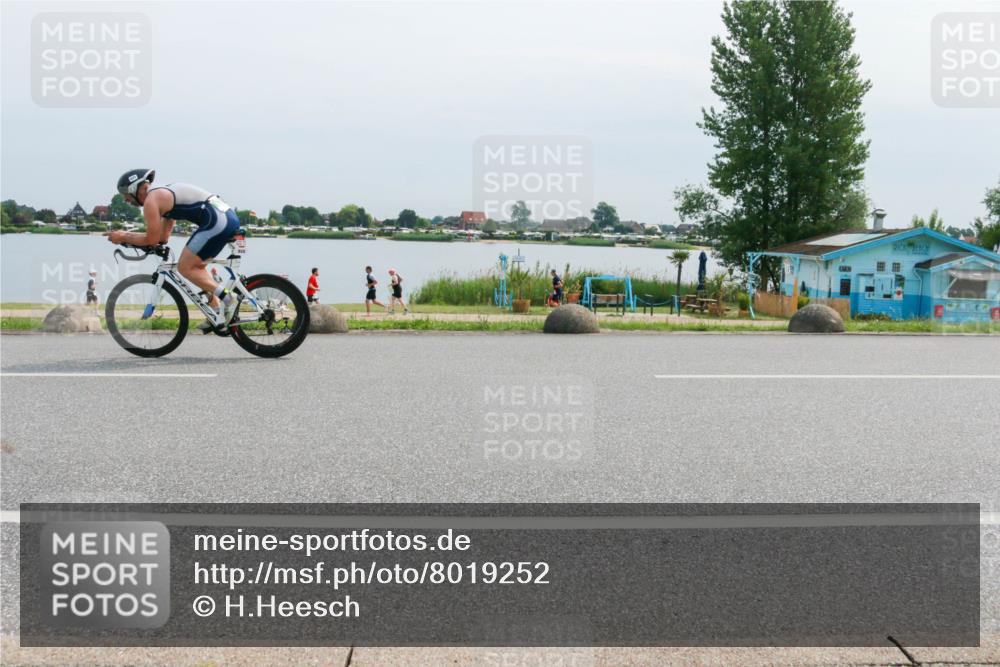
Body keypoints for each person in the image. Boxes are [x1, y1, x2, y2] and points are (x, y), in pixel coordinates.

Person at [105, 169, 241, 329]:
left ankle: (229, 299)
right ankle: (217, 311)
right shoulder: (162, 195)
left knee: (185, 267)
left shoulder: (151, 201)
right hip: (223, 216)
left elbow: (151, 239)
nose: (125, 199)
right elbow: (162, 238)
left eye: (125, 193)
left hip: (217, 220)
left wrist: (123, 236)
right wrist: (141, 241)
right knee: (196, 267)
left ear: (136, 188)